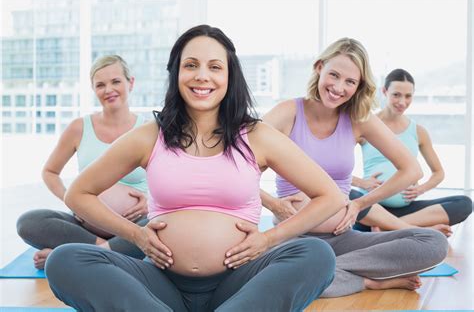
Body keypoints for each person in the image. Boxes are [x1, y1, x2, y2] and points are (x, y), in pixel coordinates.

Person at [45, 25, 346, 311]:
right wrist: (135, 235)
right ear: (176, 73)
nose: (202, 76)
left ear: (230, 76)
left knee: (316, 255)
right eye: (191, 65)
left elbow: (329, 196)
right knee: (65, 259)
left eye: (215, 67)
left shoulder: (257, 135)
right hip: (159, 284)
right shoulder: (151, 135)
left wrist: (269, 239)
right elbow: (78, 194)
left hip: (239, 283)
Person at [261, 38, 448, 297]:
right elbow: (237, 169)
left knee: (433, 242)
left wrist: (360, 204)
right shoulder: (287, 113)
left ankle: (323, 273)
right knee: (274, 275)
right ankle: (369, 281)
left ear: (359, 86)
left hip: (344, 238)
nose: (338, 87)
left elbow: (412, 170)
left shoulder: (358, 119)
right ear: (319, 68)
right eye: (334, 75)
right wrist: (273, 204)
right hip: (295, 239)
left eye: (350, 82)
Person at [16, 55, 149, 269]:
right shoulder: (79, 128)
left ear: (130, 83)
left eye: (116, 81)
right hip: (87, 226)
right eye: (100, 85)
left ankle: (81, 254)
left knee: (166, 224)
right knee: (28, 222)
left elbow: (171, 179)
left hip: (134, 225)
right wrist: (71, 200)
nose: (109, 90)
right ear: (93, 89)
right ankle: (106, 251)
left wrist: (150, 201)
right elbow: (50, 172)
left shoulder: (148, 129)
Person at [351, 68, 472, 232]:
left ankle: (389, 228)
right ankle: (405, 228)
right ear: (384, 91)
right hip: (370, 207)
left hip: (404, 210)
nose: (402, 102)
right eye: (396, 95)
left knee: (463, 204)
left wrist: (421, 189)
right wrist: (361, 182)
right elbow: (333, 165)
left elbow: (438, 172)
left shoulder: (418, 132)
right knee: (347, 197)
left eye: (408, 96)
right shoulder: (366, 124)